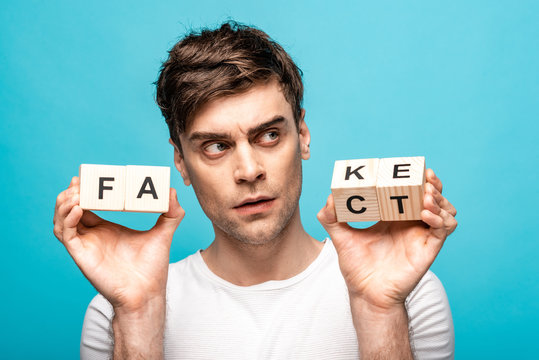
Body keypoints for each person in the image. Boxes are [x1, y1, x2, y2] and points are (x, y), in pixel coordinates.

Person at [53, 21, 457, 359]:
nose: (248, 171)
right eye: (216, 146)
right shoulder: (118, 307)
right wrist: (138, 314)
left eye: (268, 135)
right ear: (181, 163)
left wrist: (378, 310)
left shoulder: (408, 292)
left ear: (302, 134)